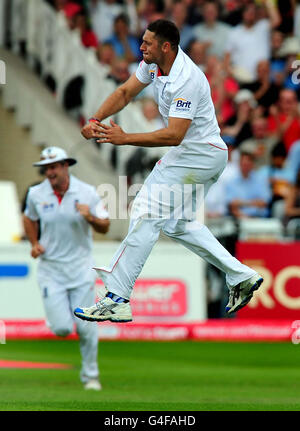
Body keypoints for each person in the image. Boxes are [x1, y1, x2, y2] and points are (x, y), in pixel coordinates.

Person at [74, 19, 263, 321]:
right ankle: (240, 275)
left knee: (146, 210)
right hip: (201, 154)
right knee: (178, 224)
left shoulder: (186, 79)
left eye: (147, 43)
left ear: (166, 46)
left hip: (196, 154)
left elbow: (174, 135)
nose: (141, 47)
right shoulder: (153, 65)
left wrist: (126, 139)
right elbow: (124, 93)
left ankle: (117, 297)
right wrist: (95, 118)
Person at [23, 146, 110, 390]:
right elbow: (28, 218)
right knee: (62, 328)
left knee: (86, 326)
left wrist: (90, 217)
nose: (49, 172)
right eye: (46, 168)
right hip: (51, 269)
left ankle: (91, 376)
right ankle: (60, 320)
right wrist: (34, 243)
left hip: (81, 269)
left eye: (53, 167)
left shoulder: (87, 192)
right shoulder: (35, 193)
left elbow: (105, 225)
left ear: (65, 166)